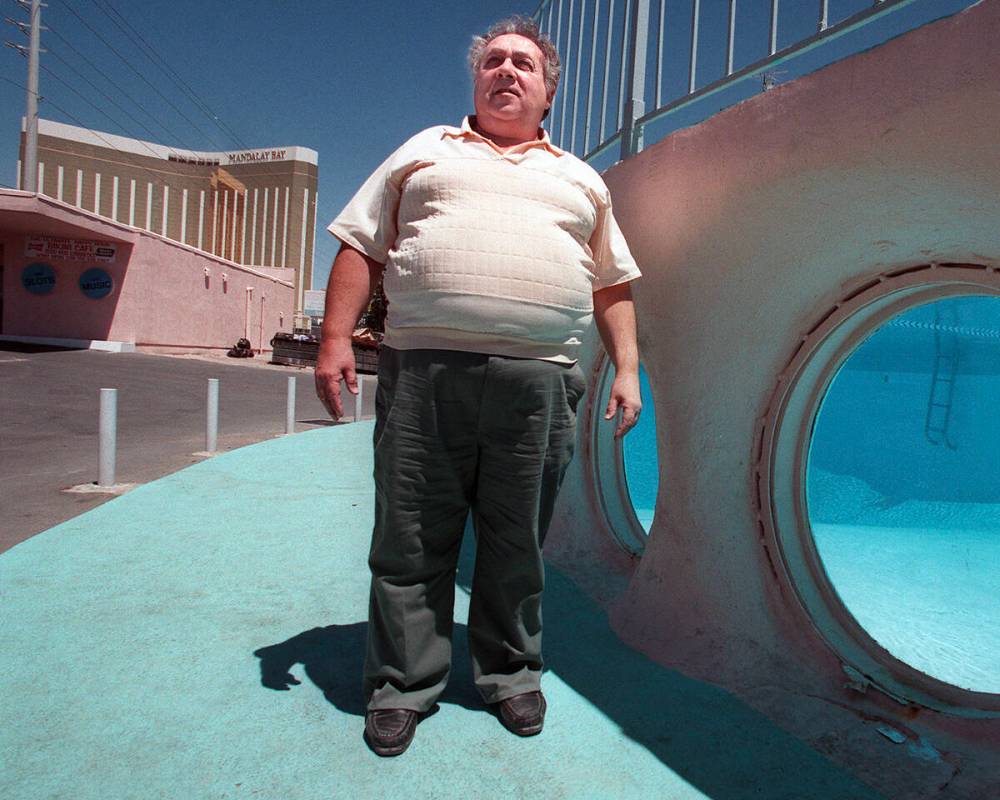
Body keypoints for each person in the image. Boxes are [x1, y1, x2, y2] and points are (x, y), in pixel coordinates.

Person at [315, 15, 642, 757]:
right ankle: (402, 684)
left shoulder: (580, 178)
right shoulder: (425, 150)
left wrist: (627, 366)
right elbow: (361, 243)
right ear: (476, 80)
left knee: (516, 542)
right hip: (425, 372)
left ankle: (512, 674)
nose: (506, 71)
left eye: (523, 63)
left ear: (547, 90)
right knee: (411, 538)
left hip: (539, 384)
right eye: (493, 60)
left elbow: (614, 281)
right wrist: (335, 339)